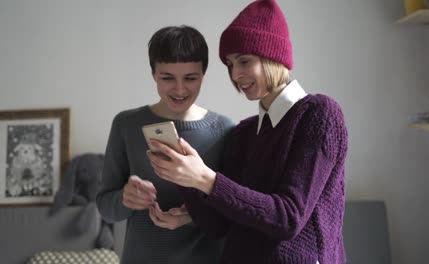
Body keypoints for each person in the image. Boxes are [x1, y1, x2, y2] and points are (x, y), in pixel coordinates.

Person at [147, 0, 349, 263]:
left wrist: (205, 179)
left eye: (244, 61)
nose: (236, 74)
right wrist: (186, 177)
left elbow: (288, 218)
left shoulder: (319, 114)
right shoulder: (243, 133)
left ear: (273, 56)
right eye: (230, 64)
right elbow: (219, 227)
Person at [96, 25, 234, 264]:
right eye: (167, 78)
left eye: (190, 78)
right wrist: (125, 199)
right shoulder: (126, 124)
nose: (179, 89)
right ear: (153, 74)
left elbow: (233, 212)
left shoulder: (225, 130)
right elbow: (106, 207)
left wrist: (192, 215)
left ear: (204, 75)